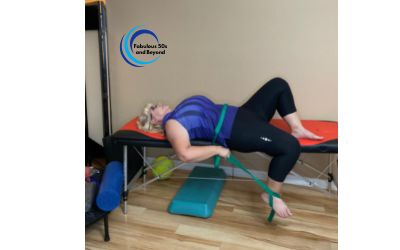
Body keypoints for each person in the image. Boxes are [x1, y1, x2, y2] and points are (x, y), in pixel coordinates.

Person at [138, 77, 323, 218]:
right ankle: (272, 195)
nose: (159, 104)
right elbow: (184, 154)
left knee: (278, 84)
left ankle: (297, 128)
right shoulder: (171, 125)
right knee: (291, 146)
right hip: (236, 131)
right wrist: (217, 150)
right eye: (154, 108)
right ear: (154, 121)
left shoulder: (177, 110)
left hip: (241, 114)